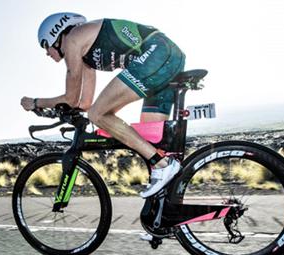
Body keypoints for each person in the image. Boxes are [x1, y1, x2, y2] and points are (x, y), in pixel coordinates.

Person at [20, 12, 186, 198]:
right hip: (166, 58)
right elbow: (84, 103)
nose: (46, 53)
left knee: (98, 114)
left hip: (158, 55)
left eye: (45, 45)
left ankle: (164, 165)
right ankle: (168, 211)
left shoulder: (72, 40)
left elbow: (71, 99)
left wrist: (35, 102)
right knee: (151, 140)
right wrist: (58, 111)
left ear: (55, 35)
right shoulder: (85, 55)